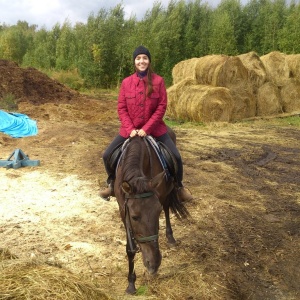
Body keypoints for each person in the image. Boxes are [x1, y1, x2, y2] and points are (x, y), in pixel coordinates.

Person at [99, 45, 193, 202]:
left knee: (175, 156)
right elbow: (121, 108)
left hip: (155, 129)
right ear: (134, 61)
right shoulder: (126, 82)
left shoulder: (159, 81)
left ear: (149, 61)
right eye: (138, 58)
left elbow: (161, 107)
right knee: (107, 155)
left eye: (144, 58)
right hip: (129, 130)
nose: (141, 61)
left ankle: (178, 187)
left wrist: (146, 129)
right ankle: (111, 184)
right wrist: (130, 129)